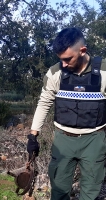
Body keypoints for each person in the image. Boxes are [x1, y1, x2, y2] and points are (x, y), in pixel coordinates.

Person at [27, 27, 106, 200]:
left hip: (94, 140)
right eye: (60, 59)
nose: (63, 64)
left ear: (83, 50)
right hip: (63, 140)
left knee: (90, 192)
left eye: (67, 59)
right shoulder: (55, 73)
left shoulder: (103, 72)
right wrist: (33, 136)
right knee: (59, 190)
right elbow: (44, 102)